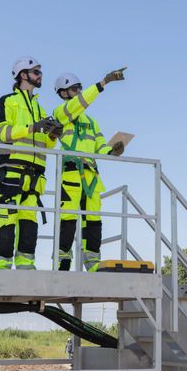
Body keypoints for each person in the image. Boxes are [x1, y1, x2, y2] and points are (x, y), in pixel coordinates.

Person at [52, 67, 126, 272]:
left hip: (91, 175)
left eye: (79, 88)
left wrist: (113, 150)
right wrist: (103, 83)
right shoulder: (60, 114)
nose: (78, 92)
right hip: (71, 174)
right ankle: (62, 261)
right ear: (63, 93)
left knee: (93, 220)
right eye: (74, 89)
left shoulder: (91, 122)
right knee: (67, 218)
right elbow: (81, 103)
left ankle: (92, 263)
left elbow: (100, 147)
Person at [0, 56, 61, 270]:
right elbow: (3, 133)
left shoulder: (40, 109)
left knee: (29, 222)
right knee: (7, 217)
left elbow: (47, 146)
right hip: (12, 168)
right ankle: (1, 267)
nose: (41, 76)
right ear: (23, 74)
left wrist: (53, 135)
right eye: (36, 72)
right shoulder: (6, 101)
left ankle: (25, 266)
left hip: (36, 174)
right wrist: (32, 127)